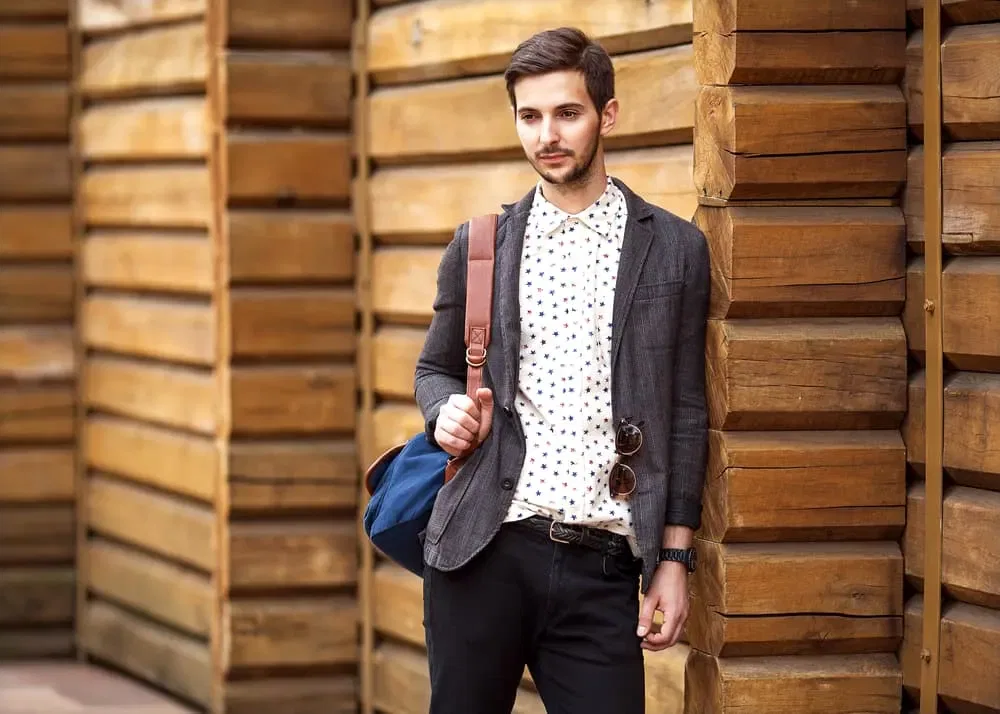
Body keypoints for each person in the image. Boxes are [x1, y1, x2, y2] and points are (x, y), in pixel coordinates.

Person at [413, 26, 710, 714]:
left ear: (608, 114)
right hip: (483, 552)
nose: (547, 135)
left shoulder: (675, 249)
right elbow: (434, 370)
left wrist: (674, 560)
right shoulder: (482, 246)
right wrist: (444, 413)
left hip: (603, 566)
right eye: (530, 116)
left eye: (567, 113)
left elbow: (686, 415)